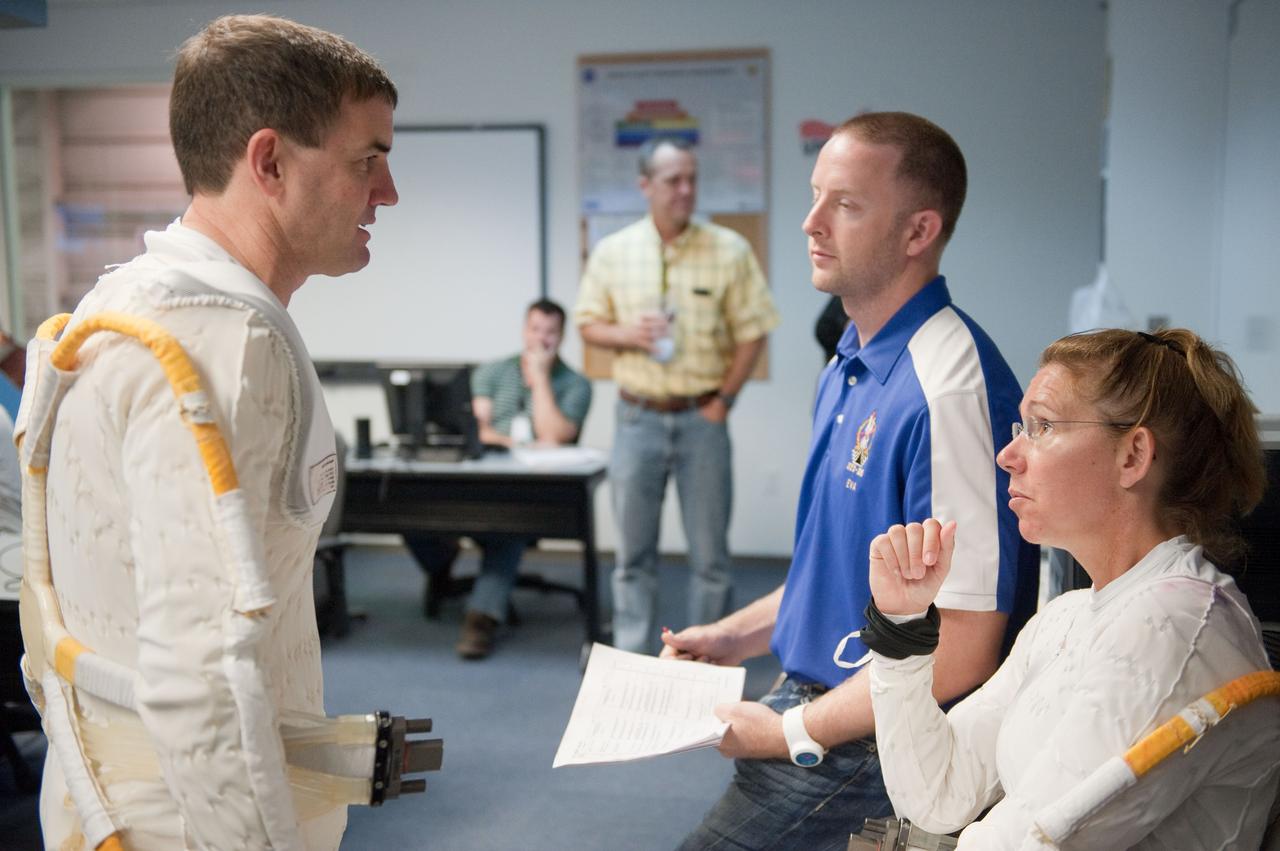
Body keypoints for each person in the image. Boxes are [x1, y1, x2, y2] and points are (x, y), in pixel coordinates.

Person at [19, 15, 398, 849]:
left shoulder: (119, 302)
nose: (387, 193)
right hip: (185, 822)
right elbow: (202, 680)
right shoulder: (226, 343)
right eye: (366, 161)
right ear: (268, 161)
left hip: (104, 798)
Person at [661, 112, 1039, 849]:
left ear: (918, 231)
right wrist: (732, 636)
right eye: (815, 195)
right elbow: (834, 568)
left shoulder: (947, 386)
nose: (811, 222)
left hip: (879, 738)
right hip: (823, 701)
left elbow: (964, 644)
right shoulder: (849, 358)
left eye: (847, 204)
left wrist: (786, 732)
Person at [866, 328, 1280, 849]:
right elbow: (937, 793)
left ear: (1133, 456)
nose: (1008, 456)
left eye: (1042, 426)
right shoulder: (1069, 616)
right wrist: (901, 625)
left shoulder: (1175, 624)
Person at [575, 136, 780, 654]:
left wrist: (723, 402)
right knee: (633, 554)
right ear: (645, 186)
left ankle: (703, 656)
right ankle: (628, 657)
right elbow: (589, 324)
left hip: (702, 418)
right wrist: (630, 334)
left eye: (692, 179)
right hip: (637, 416)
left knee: (710, 557)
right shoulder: (613, 251)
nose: (686, 190)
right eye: (673, 180)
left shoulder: (729, 250)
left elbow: (755, 330)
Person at [405, 298, 592, 659]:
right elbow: (479, 429)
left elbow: (556, 437)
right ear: (524, 330)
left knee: (507, 526)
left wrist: (539, 379)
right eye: (535, 329)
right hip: (481, 479)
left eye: (550, 332)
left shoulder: (575, 384)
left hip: (536, 493)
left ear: (562, 336)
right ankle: (443, 562)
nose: (542, 338)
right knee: (409, 508)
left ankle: (481, 618)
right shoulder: (492, 372)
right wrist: (518, 441)